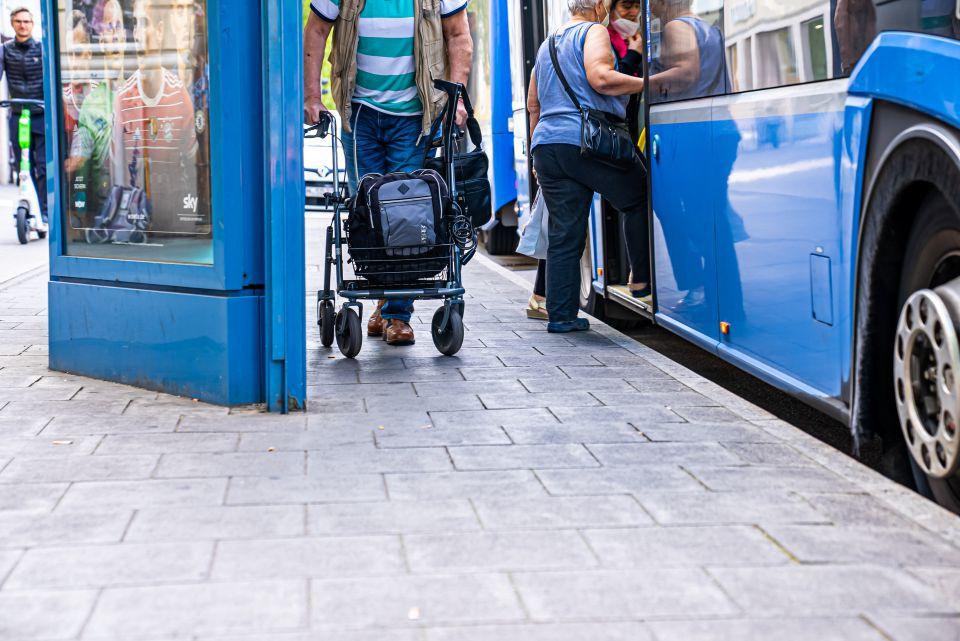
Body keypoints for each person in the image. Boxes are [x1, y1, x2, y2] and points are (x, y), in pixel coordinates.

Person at [304, 0, 473, 346]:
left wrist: (456, 99)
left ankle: (397, 314)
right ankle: (383, 294)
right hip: (360, 114)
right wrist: (311, 96)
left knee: (407, 216)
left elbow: (458, 35)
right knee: (368, 211)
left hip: (414, 115)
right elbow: (316, 31)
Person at [527, 0, 649, 333]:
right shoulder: (593, 30)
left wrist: (538, 154)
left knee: (565, 233)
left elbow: (532, 103)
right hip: (585, 142)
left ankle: (562, 316)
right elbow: (601, 78)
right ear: (597, 4)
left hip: (548, 146)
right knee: (639, 196)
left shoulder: (547, 43)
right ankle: (642, 283)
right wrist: (649, 83)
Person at [1, 7, 47, 224]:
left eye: (27, 21)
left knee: (43, 166)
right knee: (22, 166)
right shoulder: (5, 50)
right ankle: (30, 204)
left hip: (40, 114)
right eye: (18, 21)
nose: (23, 25)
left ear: (32, 24)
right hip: (18, 115)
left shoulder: (41, 48)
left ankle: (45, 210)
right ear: (12, 24)